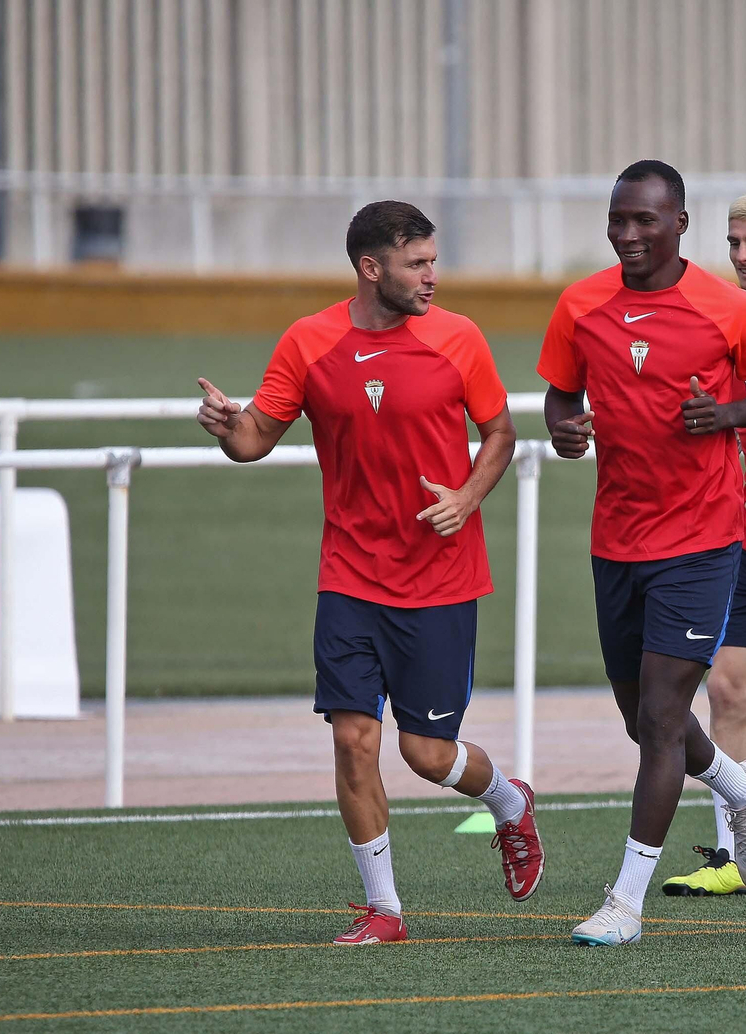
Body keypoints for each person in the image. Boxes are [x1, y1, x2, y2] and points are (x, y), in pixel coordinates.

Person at [195, 201, 544, 945]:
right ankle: (385, 910)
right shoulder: (309, 342)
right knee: (353, 738)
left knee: (426, 754)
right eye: (417, 263)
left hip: (441, 578)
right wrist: (231, 429)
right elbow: (258, 438)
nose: (431, 275)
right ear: (370, 267)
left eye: (432, 259)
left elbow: (501, 433)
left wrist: (468, 495)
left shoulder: (458, 338)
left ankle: (511, 804)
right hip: (349, 577)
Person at [538, 160, 746, 945]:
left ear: (680, 223)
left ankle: (625, 903)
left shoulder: (727, 308)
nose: (627, 235)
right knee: (641, 719)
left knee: (658, 720)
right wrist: (564, 428)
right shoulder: (580, 304)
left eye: (645, 220)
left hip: (701, 541)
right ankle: (738, 781)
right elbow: (560, 393)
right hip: (616, 540)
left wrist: (725, 416)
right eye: (618, 220)